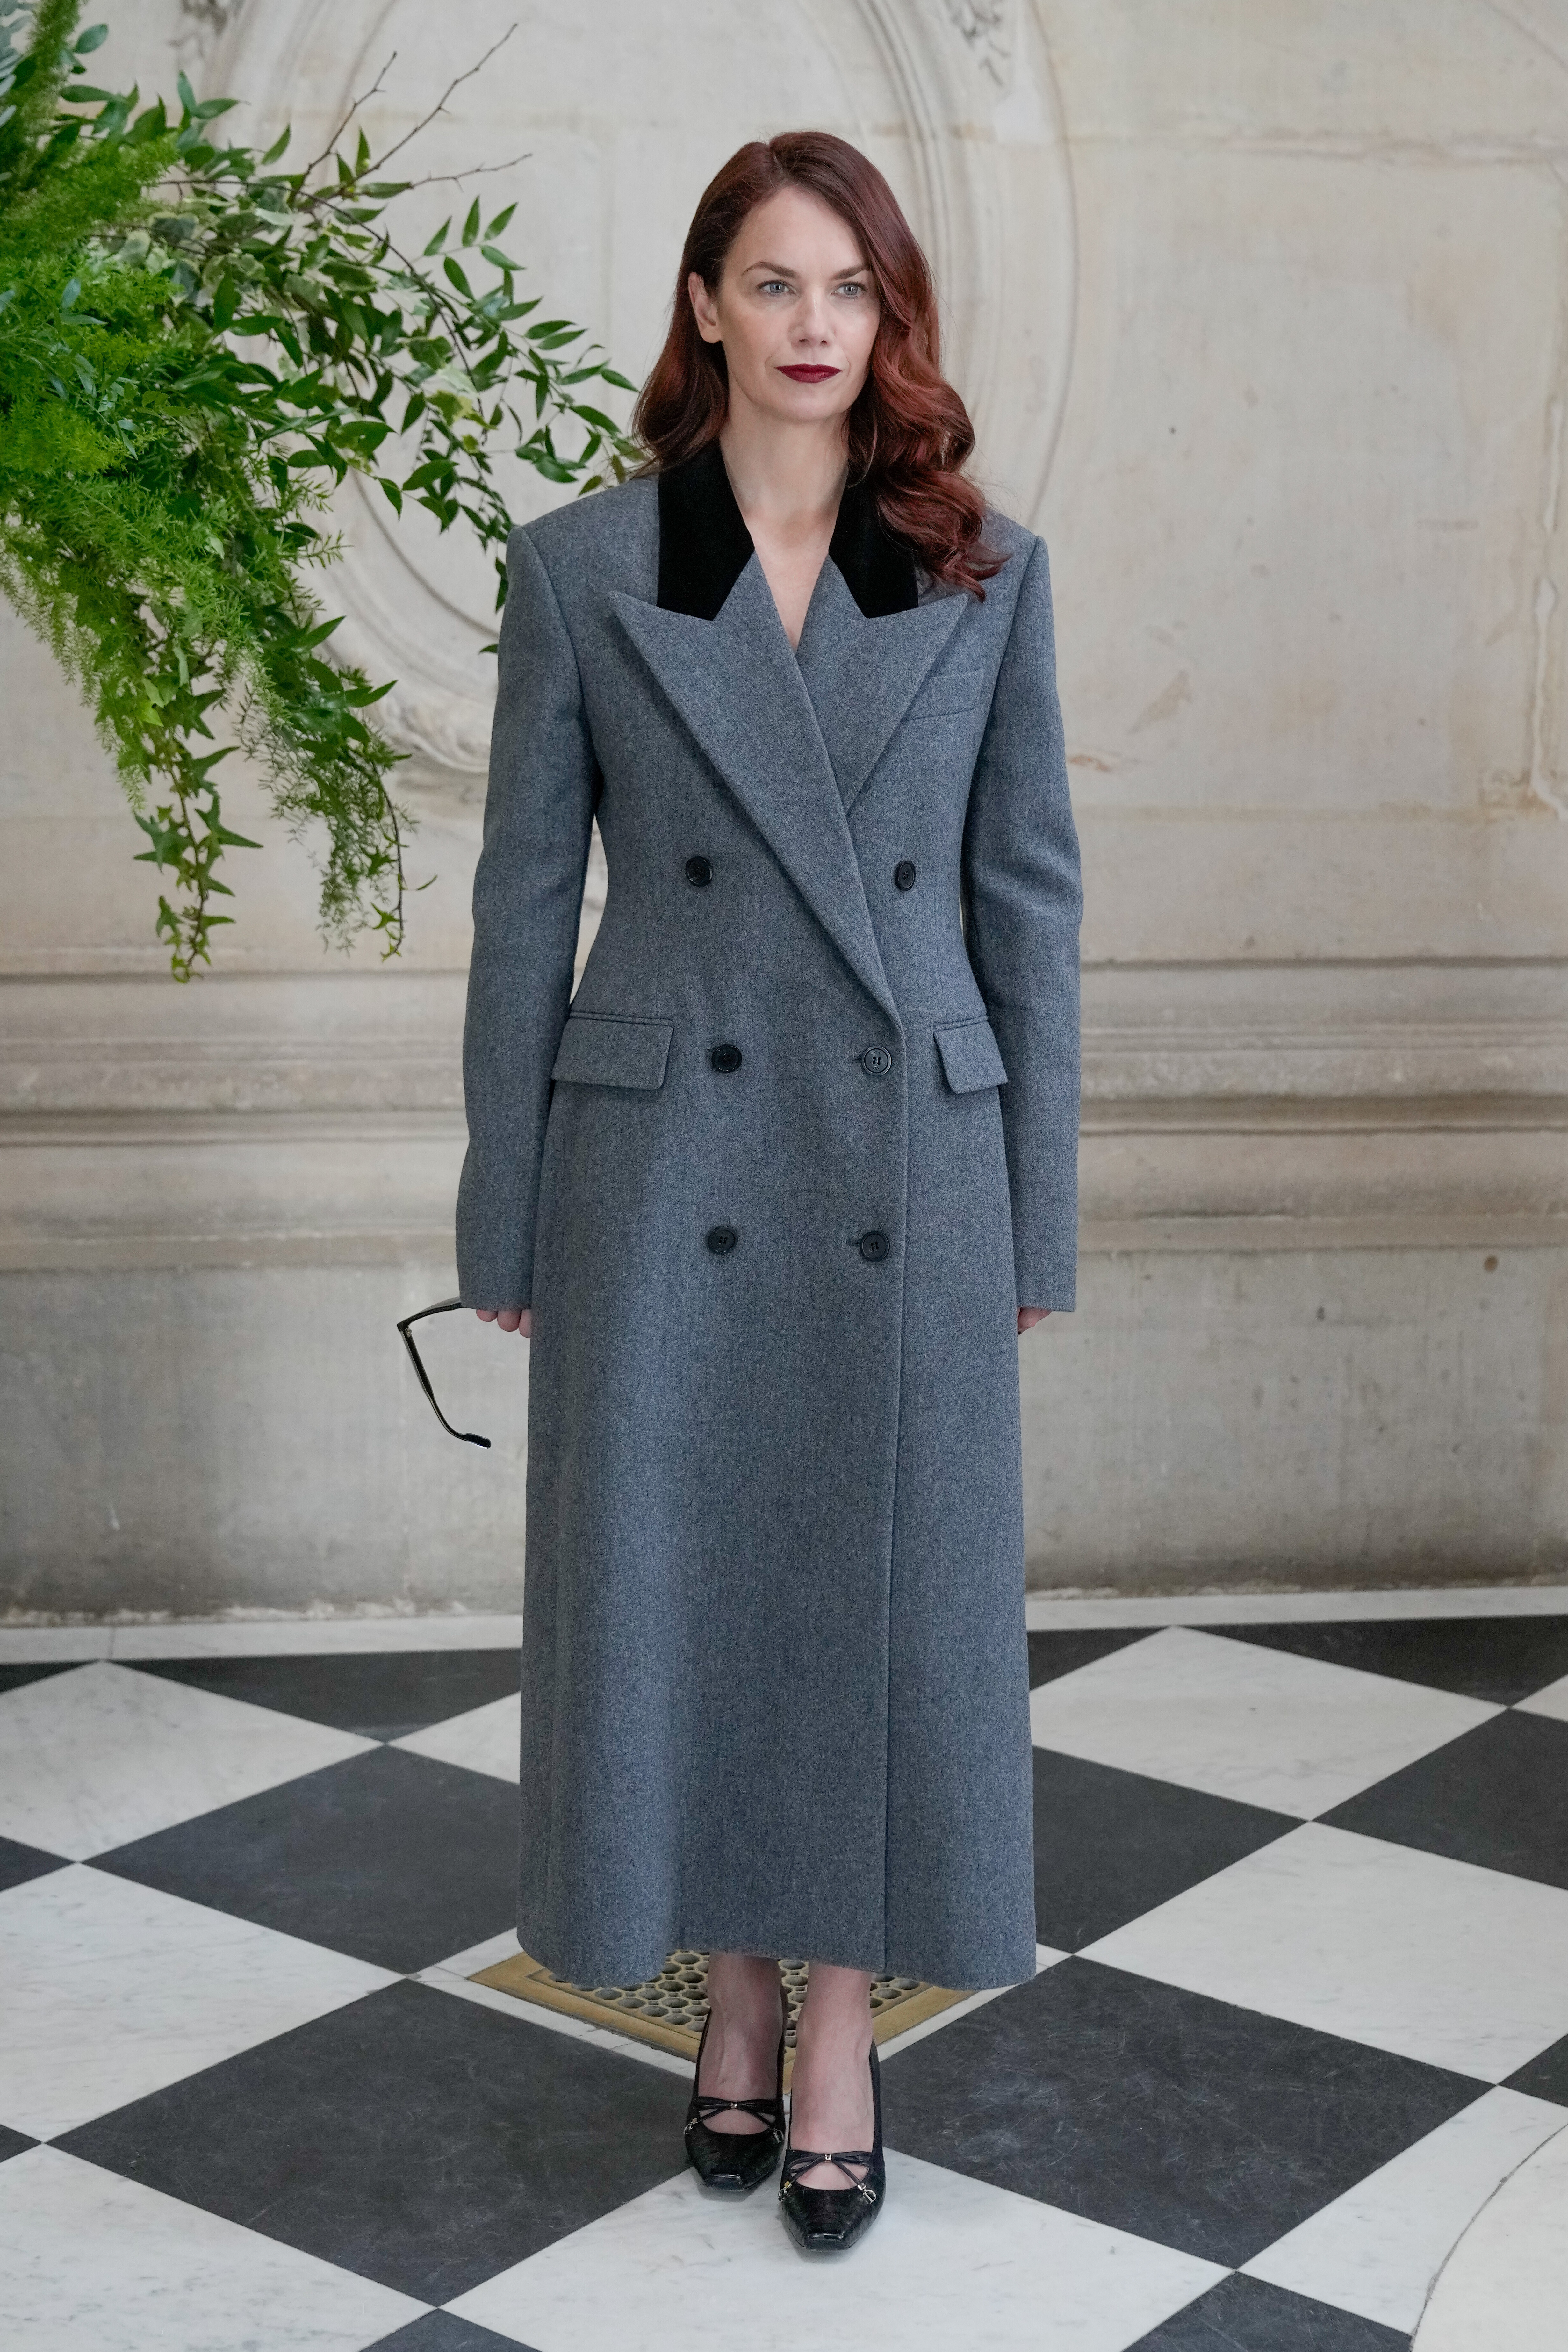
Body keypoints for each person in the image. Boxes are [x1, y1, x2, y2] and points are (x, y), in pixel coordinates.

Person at [457, 130, 1080, 2253]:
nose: (821, 328)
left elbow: (1031, 911)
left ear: (890, 323)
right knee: (671, 1580)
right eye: (780, 284)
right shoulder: (585, 568)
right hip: (664, 1154)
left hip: (910, 1146)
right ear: (706, 304)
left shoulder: (984, 571)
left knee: (881, 1591)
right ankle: (715, 1979)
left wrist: (1041, 1211)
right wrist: (505, 1207)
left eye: (857, 292)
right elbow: (521, 902)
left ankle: (833, 2023)